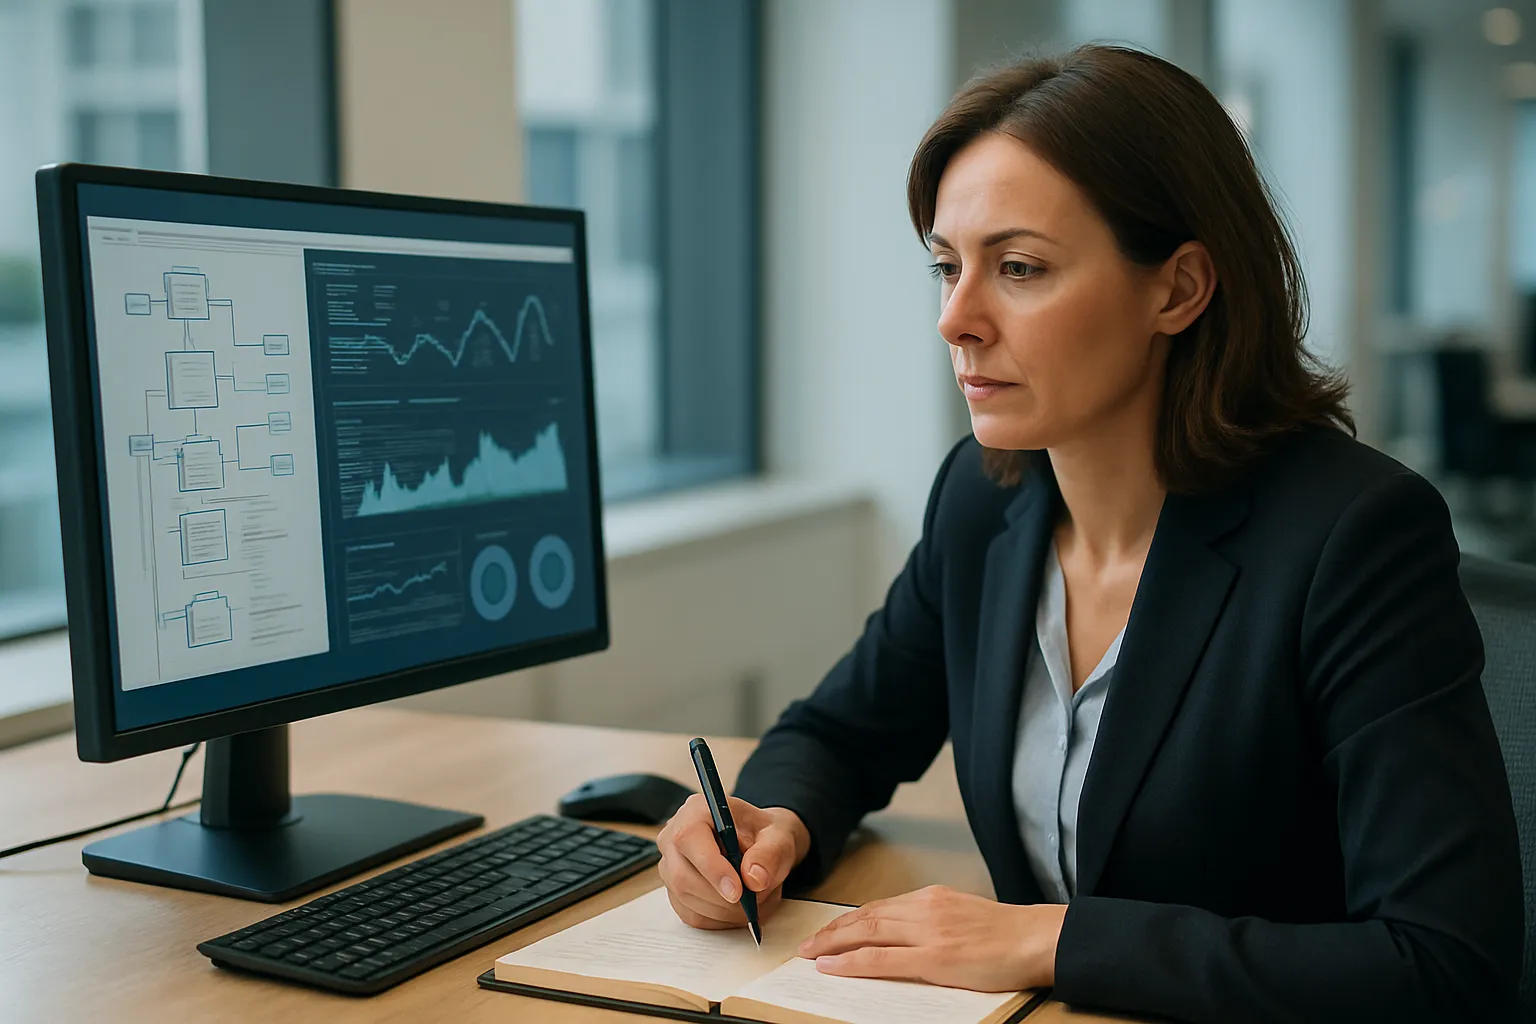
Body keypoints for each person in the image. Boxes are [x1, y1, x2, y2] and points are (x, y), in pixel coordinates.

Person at [655, 44, 1523, 1023]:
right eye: (947, 267)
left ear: (1178, 289)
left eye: (1019, 267)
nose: (956, 319)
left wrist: (1047, 938)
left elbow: (1445, 964)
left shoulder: (1352, 536)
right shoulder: (984, 502)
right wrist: (771, 826)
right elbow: (843, 730)